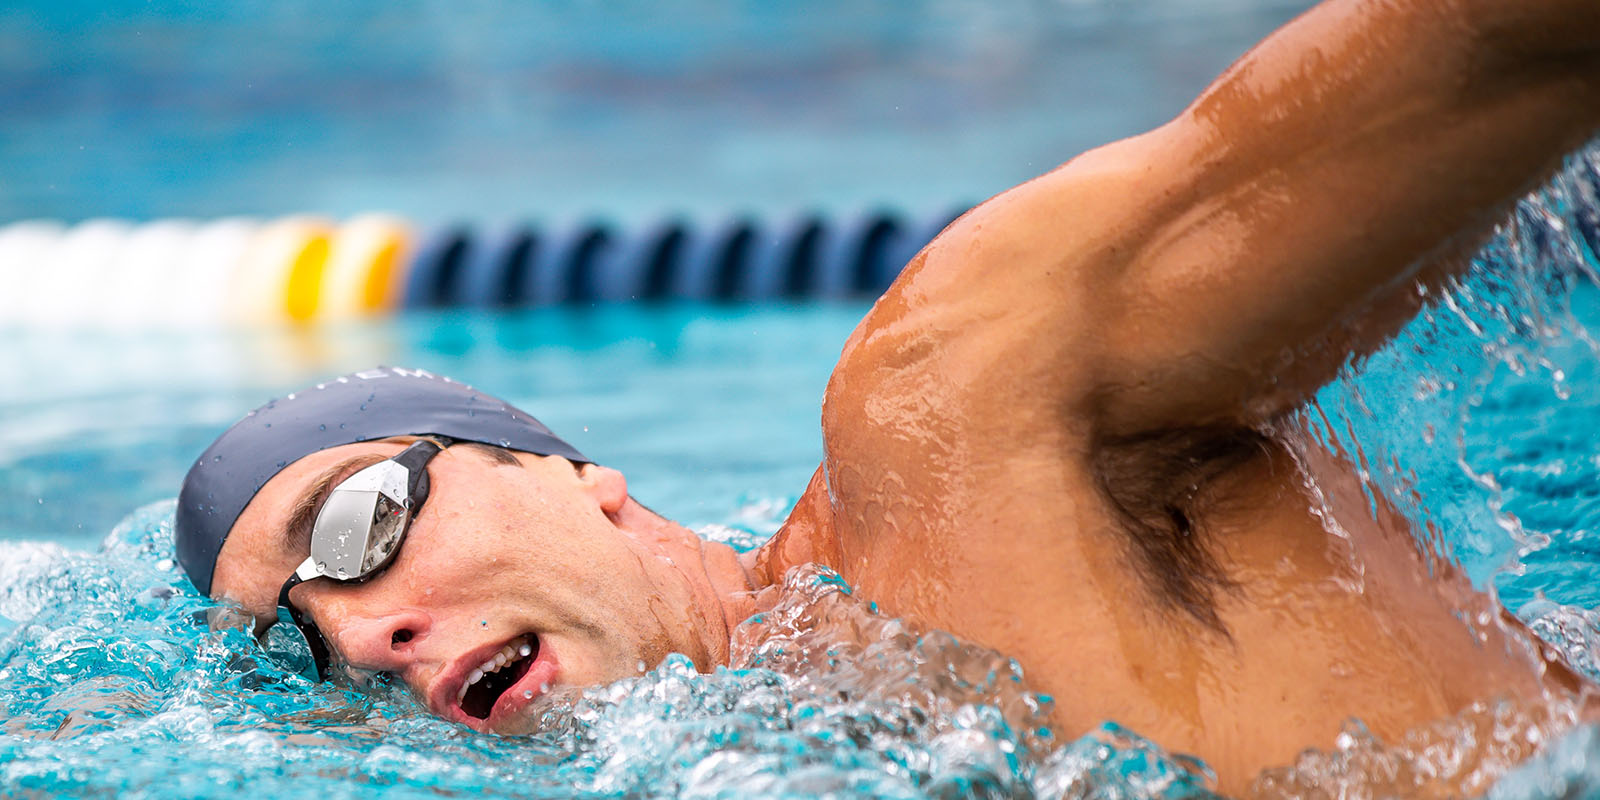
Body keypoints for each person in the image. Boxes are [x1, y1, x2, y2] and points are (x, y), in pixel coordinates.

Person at [174, 0, 1600, 792]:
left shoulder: (962, 408)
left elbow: (1496, 48)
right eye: (300, 645)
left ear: (573, 477)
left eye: (358, 527)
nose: (362, 634)